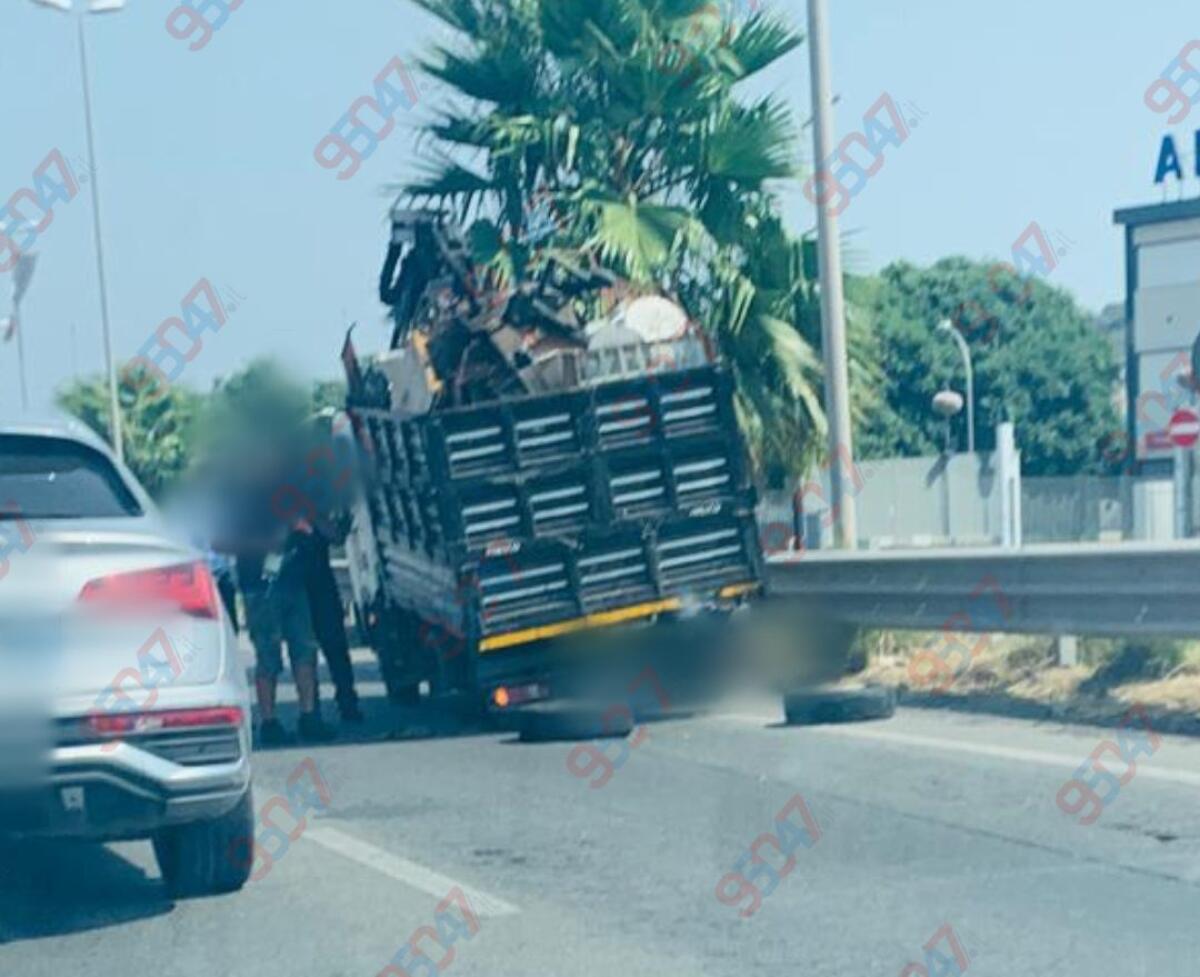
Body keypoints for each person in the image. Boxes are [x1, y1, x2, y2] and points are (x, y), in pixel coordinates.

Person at [296, 516, 363, 723]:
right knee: (304, 653)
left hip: (321, 586)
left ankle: (347, 701)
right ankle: (311, 709)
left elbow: (336, 536)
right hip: (296, 588)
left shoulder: (313, 508)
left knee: (335, 647)